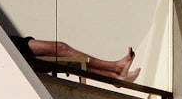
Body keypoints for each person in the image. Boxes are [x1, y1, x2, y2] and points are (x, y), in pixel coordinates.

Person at [10, 35, 141, 83]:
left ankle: (115, 73)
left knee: (61, 49)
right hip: (3, 47)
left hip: (7, 41)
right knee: (62, 53)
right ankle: (115, 72)